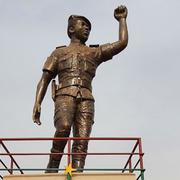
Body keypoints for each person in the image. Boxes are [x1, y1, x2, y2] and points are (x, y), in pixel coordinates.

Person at [32, 5, 128, 173]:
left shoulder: (94, 52)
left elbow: (121, 43)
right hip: (65, 95)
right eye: (82, 25)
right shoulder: (58, 53)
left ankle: (77, 171)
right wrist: (37, 102)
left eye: (88, 27)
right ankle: (52, 166)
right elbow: (45, 79)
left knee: (82, 138)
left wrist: (122, 20)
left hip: (86, 97)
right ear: (71, 29)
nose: (86, 28)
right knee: (63, 127)